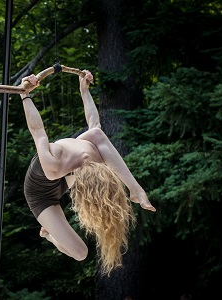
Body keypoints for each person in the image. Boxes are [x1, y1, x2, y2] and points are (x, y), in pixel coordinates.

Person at [20, 70, 156, 275]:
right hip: (40, 195)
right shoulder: (53, 163)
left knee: (97, 133)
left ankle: (136, 191)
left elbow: (94, 121)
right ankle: (49, 234)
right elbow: (37, 131)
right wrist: (25, 95)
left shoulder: (97, 148)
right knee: (80, 252)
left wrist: (85, 90)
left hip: (67, 175)